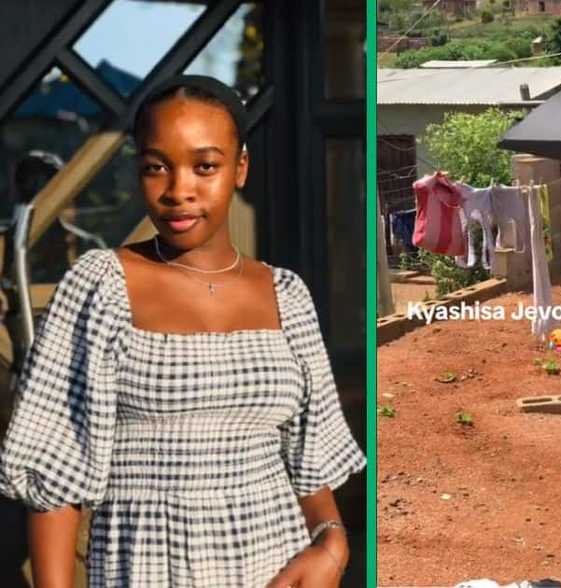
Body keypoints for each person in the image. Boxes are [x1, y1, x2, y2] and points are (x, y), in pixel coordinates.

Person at [0, 75, 366, 587]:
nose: (179, 191)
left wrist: (333, 545)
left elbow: (310, 462)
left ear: (240, 168)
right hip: (148, 570)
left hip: (279, 567)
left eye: (205, 166)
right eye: (156, 168)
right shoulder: (101, 286)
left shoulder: (287, 295)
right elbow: (55, 484)